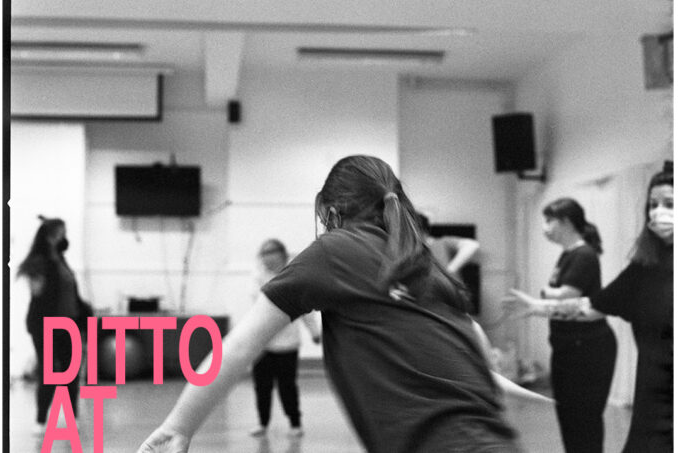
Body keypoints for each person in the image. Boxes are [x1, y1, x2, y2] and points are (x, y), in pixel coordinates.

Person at [138, 155, 541, 453]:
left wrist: (180, 424)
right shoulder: (425, 265)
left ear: (332, 212)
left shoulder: (337, 249)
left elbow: (239, 345)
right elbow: (474, 350)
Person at [506, 161, 673, 453]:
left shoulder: (583, 256)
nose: (659, 213)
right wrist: (538, 307)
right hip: (653, 406)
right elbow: (591, 306)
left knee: (583, 423)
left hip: (597, 357)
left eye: (670, 203)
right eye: (653, 204)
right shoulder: (646, 267)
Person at [537, 198, 617, 453]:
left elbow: (566, 297)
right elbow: (559, 295)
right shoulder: (568, 254)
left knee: (584, 421)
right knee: (569, 419)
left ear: (567, 223)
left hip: (588, 350)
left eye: (549, 221)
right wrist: (550, 294)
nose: (545, 227)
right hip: (567, 348)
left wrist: (542, 297)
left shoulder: (584, 255)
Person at [17, 216, 92, 433]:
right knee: (49, 372)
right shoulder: (39, 261)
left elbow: (72, 294)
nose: (64, 238)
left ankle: (72, 417)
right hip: (45, 326)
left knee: (71, 373)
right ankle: (40, 420)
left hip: (69, 326)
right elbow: (38, 291)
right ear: (51, 236)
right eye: (61, 233)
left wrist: (84, 315)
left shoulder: (61, 260)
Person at [249, 239, 321, 438]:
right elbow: (257, 307)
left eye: (269, 254)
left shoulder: (293, 276)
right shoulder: (258, 277)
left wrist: (314, 331)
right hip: (262, 343)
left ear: (280, 254)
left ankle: (295, 423)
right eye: (263, 255)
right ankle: (262, 423)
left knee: (287, 386)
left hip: (287, 344)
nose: (266, 259)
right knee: (262, 386)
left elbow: (305, 308)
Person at [416, 213, 480, 279]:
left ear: (422, 230)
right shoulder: (414, 251)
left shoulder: (441, 243)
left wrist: (450, 271)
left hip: (448, 287)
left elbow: (472, 245)